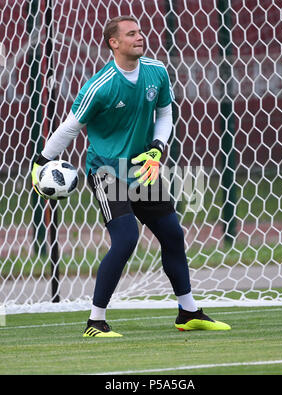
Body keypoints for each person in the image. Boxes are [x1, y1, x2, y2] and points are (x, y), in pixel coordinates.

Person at [31, 16, 231, 337]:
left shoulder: (157, 71)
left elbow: (165, 113)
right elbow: (70, 127)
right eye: (131, 34)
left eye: (140, 32)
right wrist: (40, 163)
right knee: (125, 239)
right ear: (114, 43)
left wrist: (156, 149)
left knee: (173, 235)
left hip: (142, 168)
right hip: (108, 171)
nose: (140, 37)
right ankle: (95, 322)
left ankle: (188, 311)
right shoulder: (100, 85)